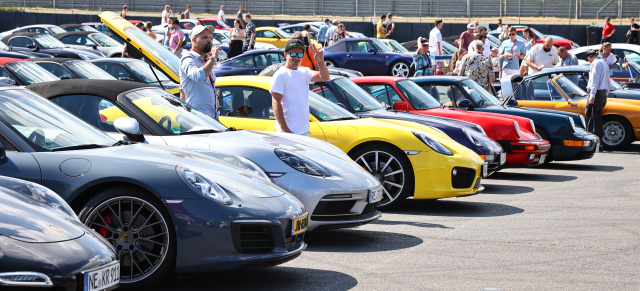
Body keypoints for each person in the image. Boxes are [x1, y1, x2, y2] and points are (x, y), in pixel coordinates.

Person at [271, 39, 329, 135]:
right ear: (285, 55)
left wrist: (320, 62)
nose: (297, 57)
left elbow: (324, 77)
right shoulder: (280, 75)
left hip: (303, 131)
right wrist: (284, 129)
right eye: (293, 54)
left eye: (300, 54)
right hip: (289, 132)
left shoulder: (304, 72)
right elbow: (275, 102)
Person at [180, 25, 221, 119]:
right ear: (194, 40)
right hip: (198, 120)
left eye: (210, 37)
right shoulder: (187, 58)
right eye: (204, 37)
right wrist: (213, 58)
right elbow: (199, 76)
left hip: (211, 118)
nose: (209, 40)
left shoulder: (205, 61)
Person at [584, 48, 609, 151]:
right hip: (602, 93)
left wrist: (592, 96)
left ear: (590, 57)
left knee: (591, 119)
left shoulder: (596, 63)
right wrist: (606, 94)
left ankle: (592, 144)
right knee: (597, 119)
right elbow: (608, 81)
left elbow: (594, 80)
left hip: (596, 93)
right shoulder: (604, 62)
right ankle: (600, 144)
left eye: (588, 59)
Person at [498, 27, 526, 96]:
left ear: (516, 34)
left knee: (515, 87)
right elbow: (500, 57)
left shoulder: (521, 43)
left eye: (513, 34)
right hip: (506, 68)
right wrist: (505, 55)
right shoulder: (504, 43)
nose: (511, 36)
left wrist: (518, 56)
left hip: (515, 68)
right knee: (505, 87)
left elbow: (525, 57)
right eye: (510, 34)